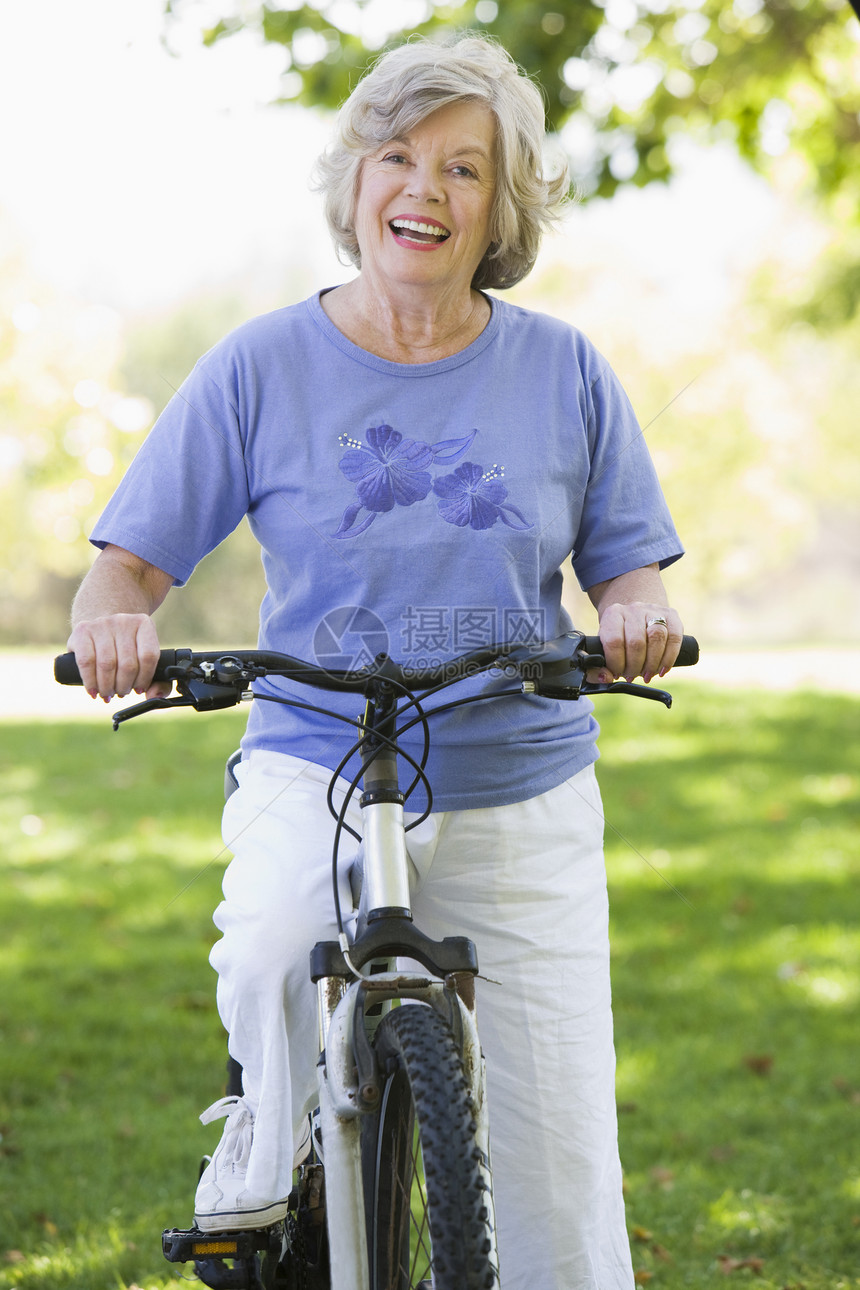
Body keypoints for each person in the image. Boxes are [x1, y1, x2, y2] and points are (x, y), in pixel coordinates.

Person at [67, 33, 685, 1290]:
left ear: (499, 209)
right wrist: (112, 620)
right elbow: (123, 565)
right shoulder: (258, 365)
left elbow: (631, 567)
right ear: (354, 186)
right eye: (397, 157)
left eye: (465, 169)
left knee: (556, 1142)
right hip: (315, 751)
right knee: (271, 947)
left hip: (519, 771)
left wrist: (633, 614)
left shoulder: (564, 369)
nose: (425, 189)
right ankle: (268, 1147)